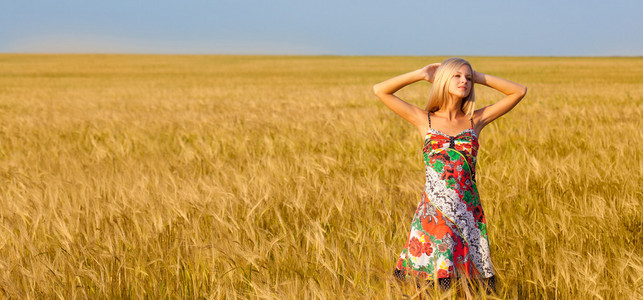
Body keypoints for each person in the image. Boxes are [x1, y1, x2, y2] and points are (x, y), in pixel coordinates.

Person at [373, 57, 527, 293]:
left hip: (468, 213)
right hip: (433, 213)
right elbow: (380, 90)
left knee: (469, 287)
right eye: (457, 76)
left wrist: (476, 76)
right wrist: (422, 73)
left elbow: (518, 91)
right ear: (444, 79)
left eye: (467, 77)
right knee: (428, 287)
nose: (463, 81)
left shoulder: (475, 120)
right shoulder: (424, 119)